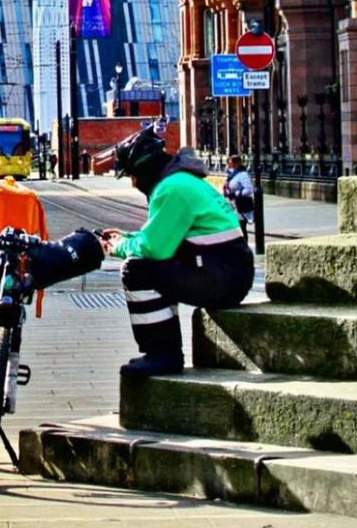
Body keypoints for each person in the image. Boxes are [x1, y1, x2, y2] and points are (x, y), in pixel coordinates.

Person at [101, 127, 253, 378]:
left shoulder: (170, 189)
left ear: (144, 168)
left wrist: (119, 247)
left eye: (132, 175)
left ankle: (163, 354)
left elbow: (154, 248)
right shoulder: (183, 180)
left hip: (222, 277)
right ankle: (165, 350)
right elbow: (165, 237)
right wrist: (127, 237)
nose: (133, 183)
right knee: (154, 265)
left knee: (136, 269)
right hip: (229, 270)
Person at [222, 154, 256, 242]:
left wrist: (236, 194)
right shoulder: (232, 174)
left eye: (230, 162)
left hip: (240, 205)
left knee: (241, 229)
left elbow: (249, 189)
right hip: (232, 205)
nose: (228, 164)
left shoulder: (242, 174)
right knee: (233, 229)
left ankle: (244, 249)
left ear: (235, 163)